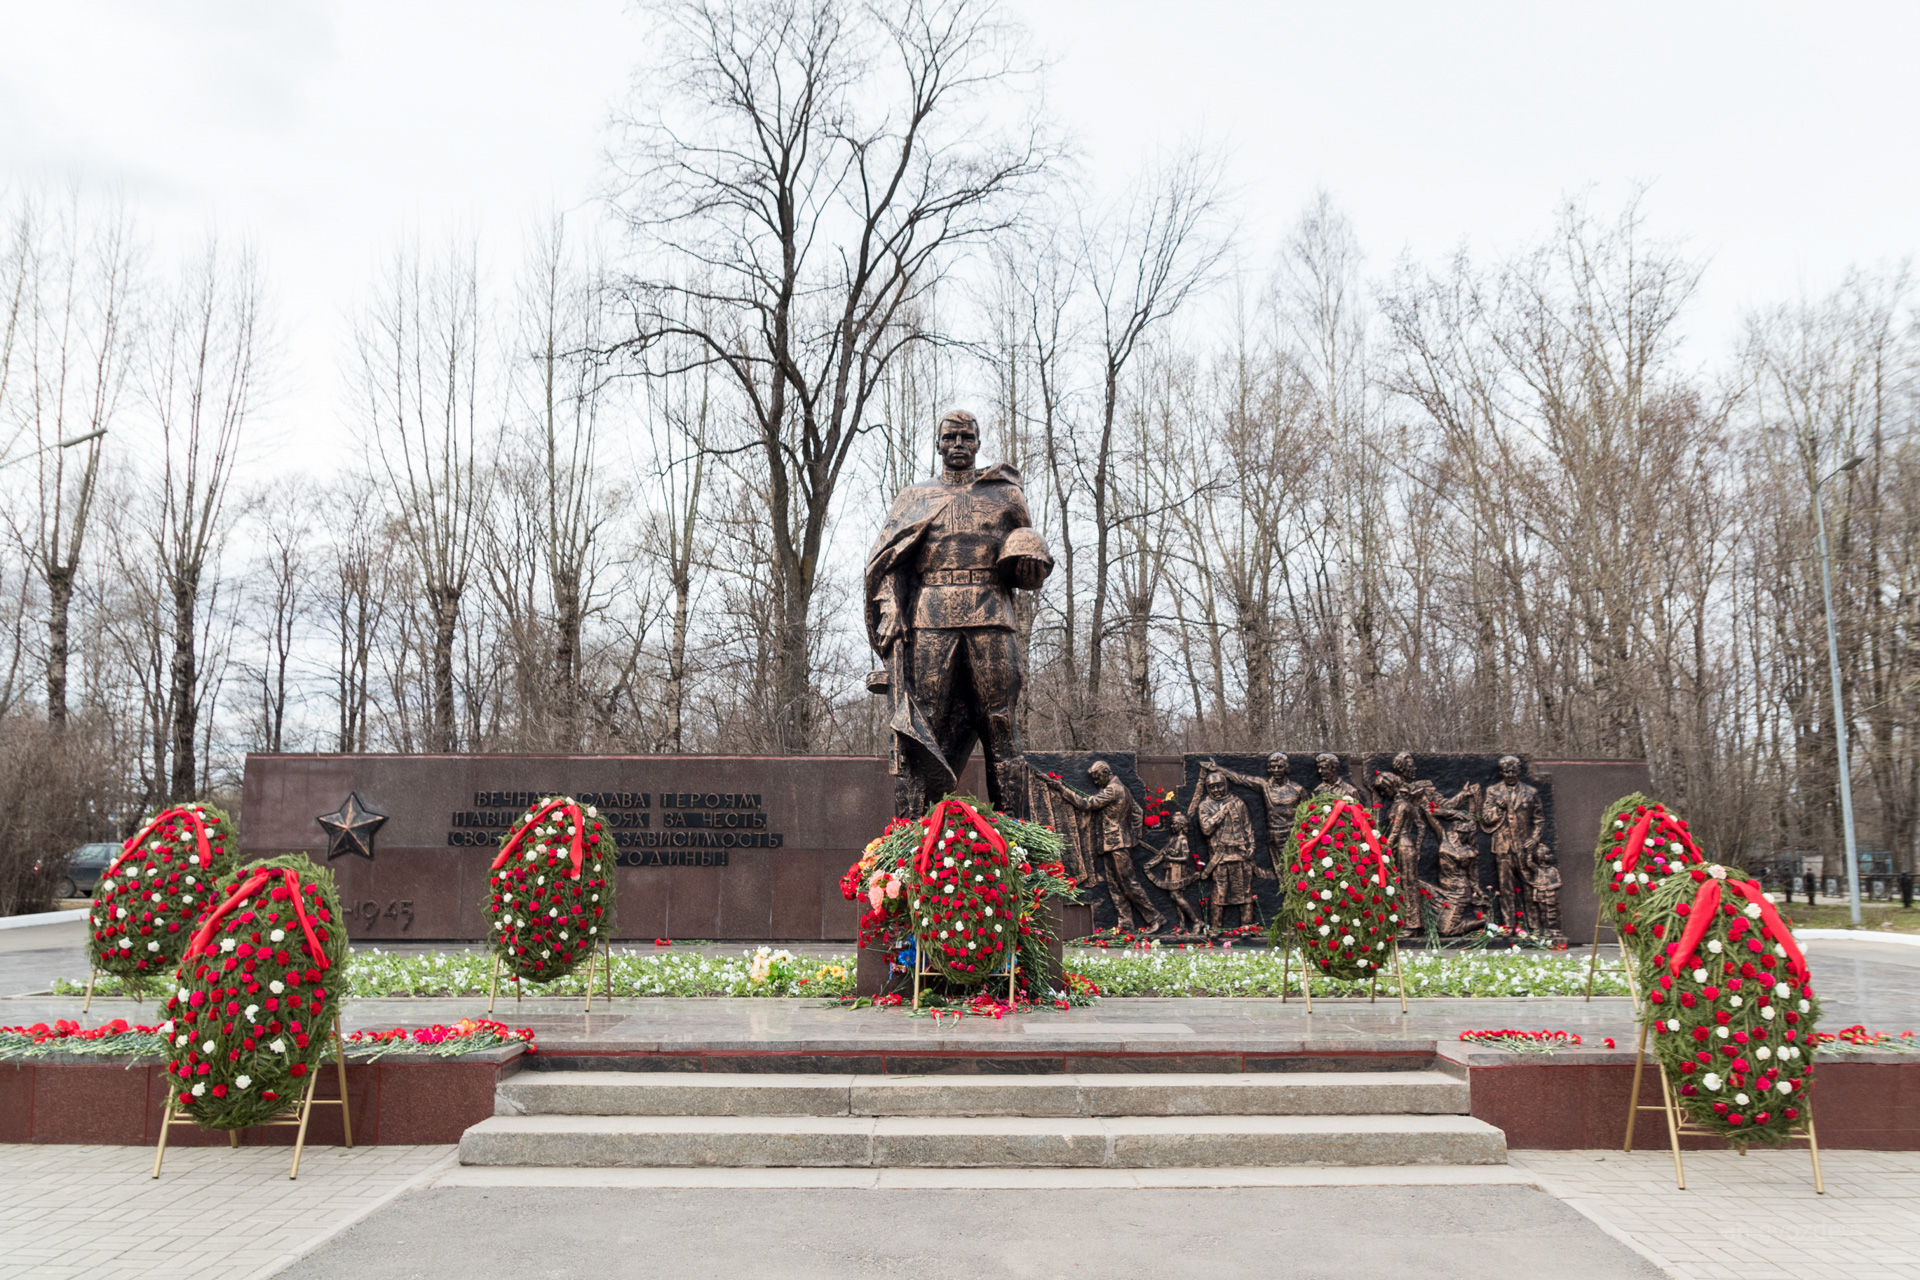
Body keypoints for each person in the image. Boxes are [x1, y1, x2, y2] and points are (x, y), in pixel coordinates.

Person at [865, 410, 1053, 817]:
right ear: (938, 442)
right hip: (931, 616)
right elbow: (888, 564)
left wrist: (1032, 569)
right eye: (950, 437)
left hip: (990, 614)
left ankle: (1015, 841)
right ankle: (911, 841)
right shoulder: (914, 498)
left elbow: (1025, 558)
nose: (958, 445)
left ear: (978, 442)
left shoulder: (1006, 496)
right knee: (923, 725)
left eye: (967, 437)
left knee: (1000, 725)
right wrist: (893, 609)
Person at [1043, 761, 1164, 934]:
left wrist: (1062, 789)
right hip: (1111, 843)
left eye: (1097, 777)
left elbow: (1087, 804)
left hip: (1116, 843)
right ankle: (1126, 924)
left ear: (1106, 772)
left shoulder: (1112, 789)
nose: (1095, 782)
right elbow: (1137, 813)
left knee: (1128, 883)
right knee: (1115, 885)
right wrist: (1134, 836)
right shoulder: (1124, 790)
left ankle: (1155, 917)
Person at [1478, 755, 1545, 933]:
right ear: (1501, 772)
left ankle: (1534, 925)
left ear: (1519, 771)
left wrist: (1534, 838)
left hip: (1524, 847)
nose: (1510, 775)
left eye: (1513, 771)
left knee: (1529, 886)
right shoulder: (1493, 791)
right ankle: (1508, 925)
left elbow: (1539, 820)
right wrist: (1497, 808)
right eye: (1506, 771)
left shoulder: (1531, 792)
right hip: (1502, 846)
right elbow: (1485, 817)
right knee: (1505, 887)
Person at [1195, 770, 1269, 931]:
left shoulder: (1238, 803)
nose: (1216, 790)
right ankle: (1215, 928)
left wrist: (1252, 847)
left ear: (1225, 785)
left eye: (1219, 786)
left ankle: (1247, 926)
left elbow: (1248, 828)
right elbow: (1206, 829)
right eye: (1212, 787)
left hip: (1241, 856)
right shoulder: (1205, 806)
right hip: (1220, 857)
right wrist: (1221, 812)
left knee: (1245, 893)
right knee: (1219, 894)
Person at [1143, 811, 1204, 934]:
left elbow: (1185, 858)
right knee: (1175, 897)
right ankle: (1182, 925)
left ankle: (1196, 921)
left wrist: (1170, 858)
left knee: (1176, 896)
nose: (1172, 826)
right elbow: (1162, 855)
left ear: (1181, 825)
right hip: (1170, 870)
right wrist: (1150, 865)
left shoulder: (1183, 840)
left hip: (1178, 870)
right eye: (1172, 824)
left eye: (1175, 824)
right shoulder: (1172, 839)